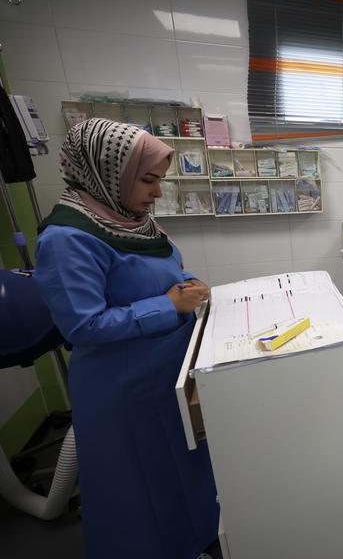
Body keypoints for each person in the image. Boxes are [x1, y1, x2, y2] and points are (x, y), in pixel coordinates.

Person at [34, 119, 219, 559]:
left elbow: (163, 272)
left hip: (168, 374)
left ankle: (195, 540)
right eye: (148, 180)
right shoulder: (65, 239)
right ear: (108, 172)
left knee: (182, 468)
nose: (156, 193)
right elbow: (82, 326)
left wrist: (187, 284)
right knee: (139, 486)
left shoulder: (133, 220)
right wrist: (169, 306)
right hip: (123, 389)